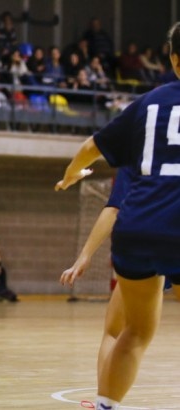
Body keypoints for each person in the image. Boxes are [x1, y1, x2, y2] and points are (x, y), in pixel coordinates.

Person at [54, 22, 180, 410]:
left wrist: (71, 173)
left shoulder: (148, 103)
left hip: (139, 227)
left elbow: (92, 146)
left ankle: (106, 405)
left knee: (136, 332)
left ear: (174, 60)